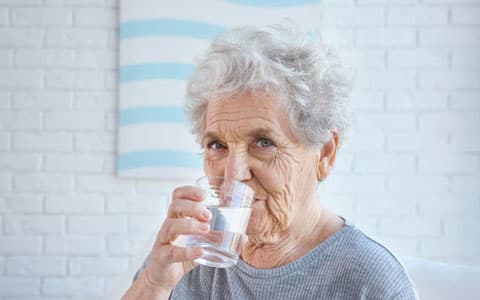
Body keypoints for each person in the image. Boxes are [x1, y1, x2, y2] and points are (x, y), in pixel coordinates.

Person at [122, 23, 419, 299]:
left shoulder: (371, 281)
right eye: (217, 145)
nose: (233, 174)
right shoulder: (193, 251)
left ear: (325, 153)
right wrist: (154, 283)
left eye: (264, 142)